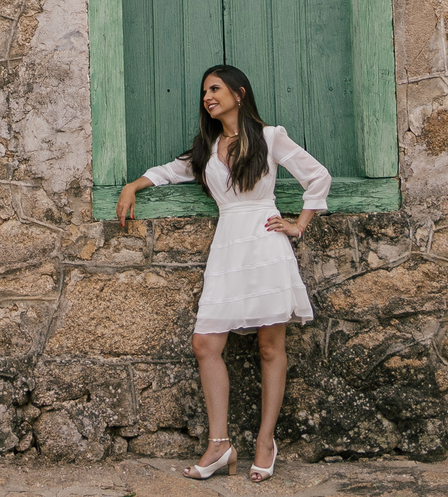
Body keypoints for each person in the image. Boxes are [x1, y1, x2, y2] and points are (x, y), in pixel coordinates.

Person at [115, 63, 330, 484]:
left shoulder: (270, 138)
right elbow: (167, 172)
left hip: (266, 244)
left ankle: (265, 441)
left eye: (215, 89)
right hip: (228, 246)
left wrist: (299, 224)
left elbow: (317, 175)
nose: (208, 97)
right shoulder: (206, 147)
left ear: (239, 93)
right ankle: (220, 445)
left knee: (271, 347)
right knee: (205, 342)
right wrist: (132, 186)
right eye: (204, 92)